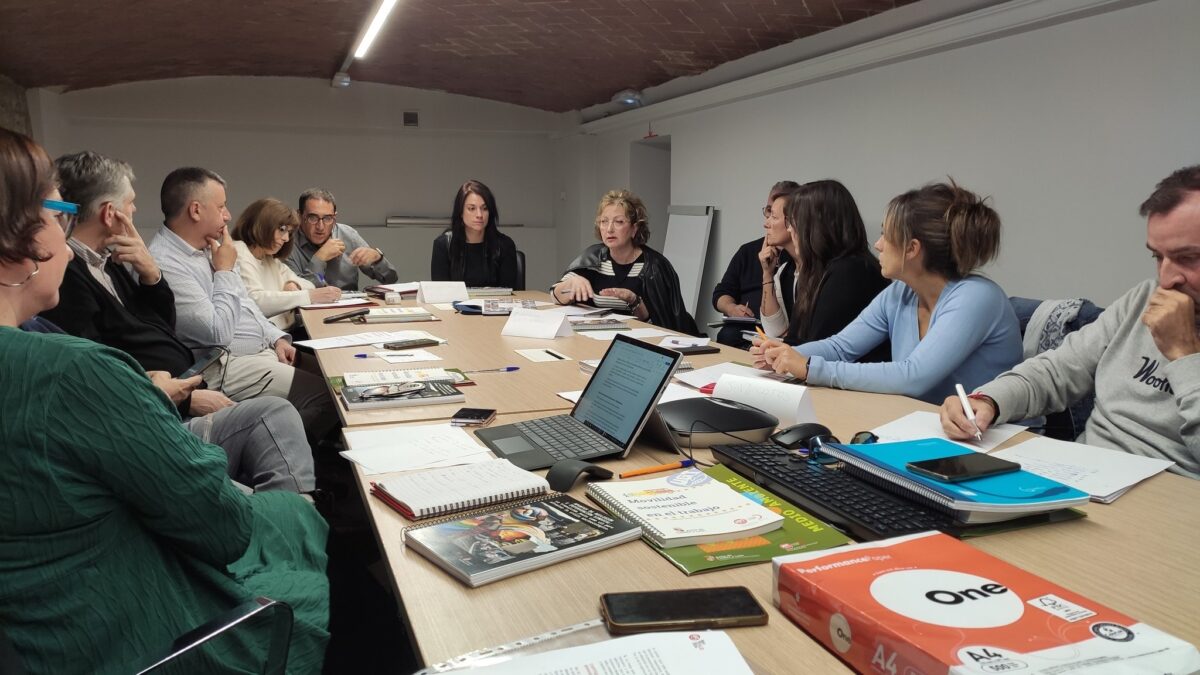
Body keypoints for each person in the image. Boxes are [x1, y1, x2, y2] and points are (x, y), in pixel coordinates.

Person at [0, 128, 328, 673]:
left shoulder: (63, 347)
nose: (66, 237)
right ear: (20, 236)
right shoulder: (72, 372)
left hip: (53, 632)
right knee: (296, 520)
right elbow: (219, 527)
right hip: (141, 632)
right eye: (59, 214)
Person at [41, 151, 316, 493]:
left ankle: (292, 505)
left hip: (186, 381)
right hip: (171, 401)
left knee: (297, 398)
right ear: (111, 213)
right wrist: (185, 400)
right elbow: (99, 371)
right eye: (131, 203)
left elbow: (160, 325)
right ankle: (291, 509)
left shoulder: (111, 261)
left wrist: (151, 275)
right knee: (297, 405)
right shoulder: (71, 277)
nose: (135, 210)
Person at [942, 165, 1200, 477]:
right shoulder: (1143, 298)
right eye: (1157, 256)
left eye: (1189, 258)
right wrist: (989, 401)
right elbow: (1058, 370)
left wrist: (1184, 357)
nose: (1166, 279)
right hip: (1086, 474)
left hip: (1172, 495)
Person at [752, 180, 1021, 404]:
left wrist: (810, 367)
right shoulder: (901, 292)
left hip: (994, 438)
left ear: (912, 249)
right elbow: (841, 346)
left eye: (886, 235)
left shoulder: (976, 297)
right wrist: (786, 353)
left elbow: (913, 377)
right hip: (924, 423)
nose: (878, 244)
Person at [148, 168, 338, 446]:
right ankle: (282, 451)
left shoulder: (209, 248)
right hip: (224, 364)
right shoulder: (167, 262)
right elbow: (218, 333)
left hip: (259, 350)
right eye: (221, 207)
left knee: (335, 376)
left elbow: (247, 303)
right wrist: (225, 271)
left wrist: (276, 338)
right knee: (329, 396)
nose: (227, 215)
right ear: (196, 210)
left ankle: (290, 445)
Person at [761, 180, 889, 359]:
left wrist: (786, 356)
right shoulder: (816, 270)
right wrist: (777, 354)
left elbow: (822, 351)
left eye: (795, 223)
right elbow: (796, 341)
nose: (790, 230)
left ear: (817, 227)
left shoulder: (850, 272)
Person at [552, 189, 699, 335]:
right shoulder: (592, 258)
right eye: (604, 221)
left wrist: (633, 301)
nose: (609, 229)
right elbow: (555, 295)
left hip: (638, 340)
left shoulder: (655, 267)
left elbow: (663, 325)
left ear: (634, 228)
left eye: (619, 222)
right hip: (595, 337)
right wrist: (570, 284)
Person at [232, 197, 341, 331]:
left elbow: (309, 284)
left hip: (284, 332)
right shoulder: (239, 251)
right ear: (262, 225)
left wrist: (293, 284)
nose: (286, 238)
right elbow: (256, 301)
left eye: (289, 232)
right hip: (267, 337)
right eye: (282, 229)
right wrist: (309, 296)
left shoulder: (270, 259)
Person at [711, 180, 798, 347]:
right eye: (768, 211)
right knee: (728, 335)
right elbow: (721, 292)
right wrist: (731, 308)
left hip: (782, 339)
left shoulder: (798, 262)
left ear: (792, 219)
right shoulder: (747, 251)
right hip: (745, 331)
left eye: (774, 215)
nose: (767, 222)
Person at [285, 187, 398, 291]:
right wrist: (319, 258)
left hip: (351, 304)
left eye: (327, 218)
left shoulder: (348, 235)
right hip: (310, 306)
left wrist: (378, 259)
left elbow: (391, 279)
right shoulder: (287, 243)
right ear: (299, 216)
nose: (320, 227)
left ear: (334, 217)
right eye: (313, 218)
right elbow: (297, 294)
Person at [430, 180, 520, 288]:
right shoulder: (443, 245)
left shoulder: (505, 245)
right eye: (472, 208)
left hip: (494, 300)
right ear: (461, 212)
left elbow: (508, 292)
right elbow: (440, 292)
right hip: (454, 300)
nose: (479, 215)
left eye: (484, 208)